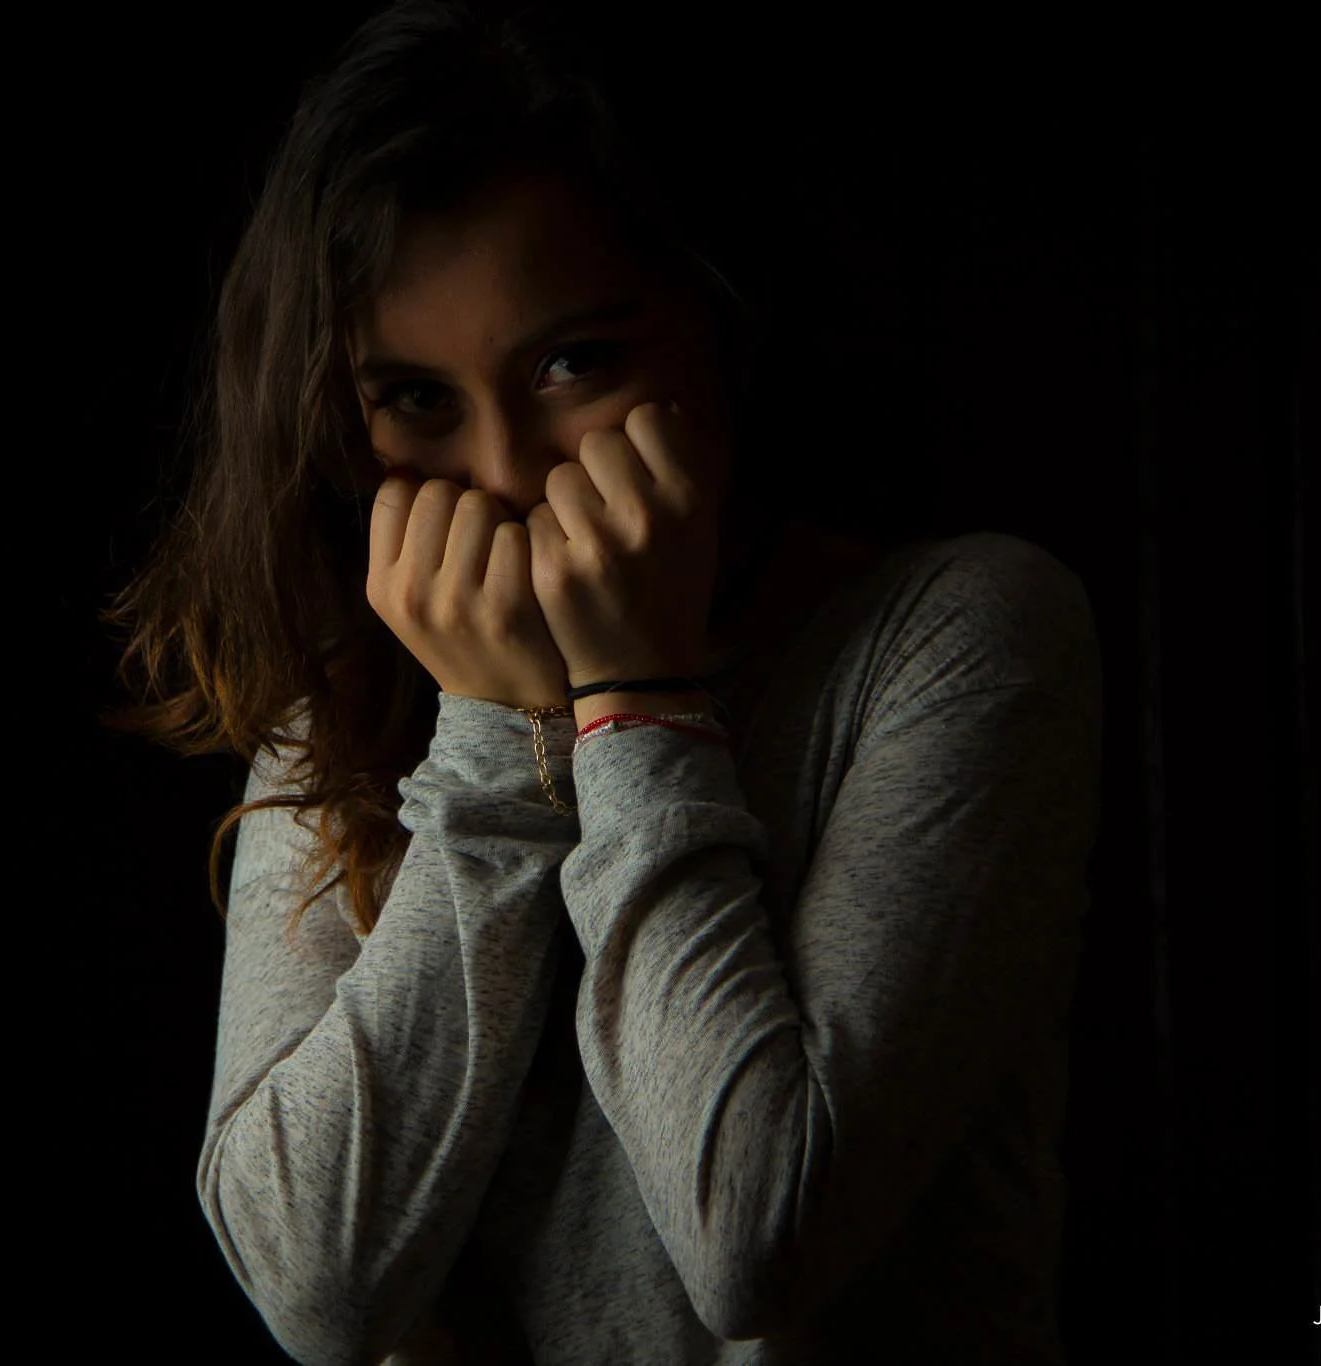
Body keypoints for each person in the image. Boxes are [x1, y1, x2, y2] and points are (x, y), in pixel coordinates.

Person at [101, 2, 1103, 1361]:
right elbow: (313, 1288)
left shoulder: (957, 635)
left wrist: (628, 695)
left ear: (721, 323)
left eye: (575, 364)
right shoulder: (343, 707)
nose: (507, 476)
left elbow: (757, 1231)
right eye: (416, 401)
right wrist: (495, 736)